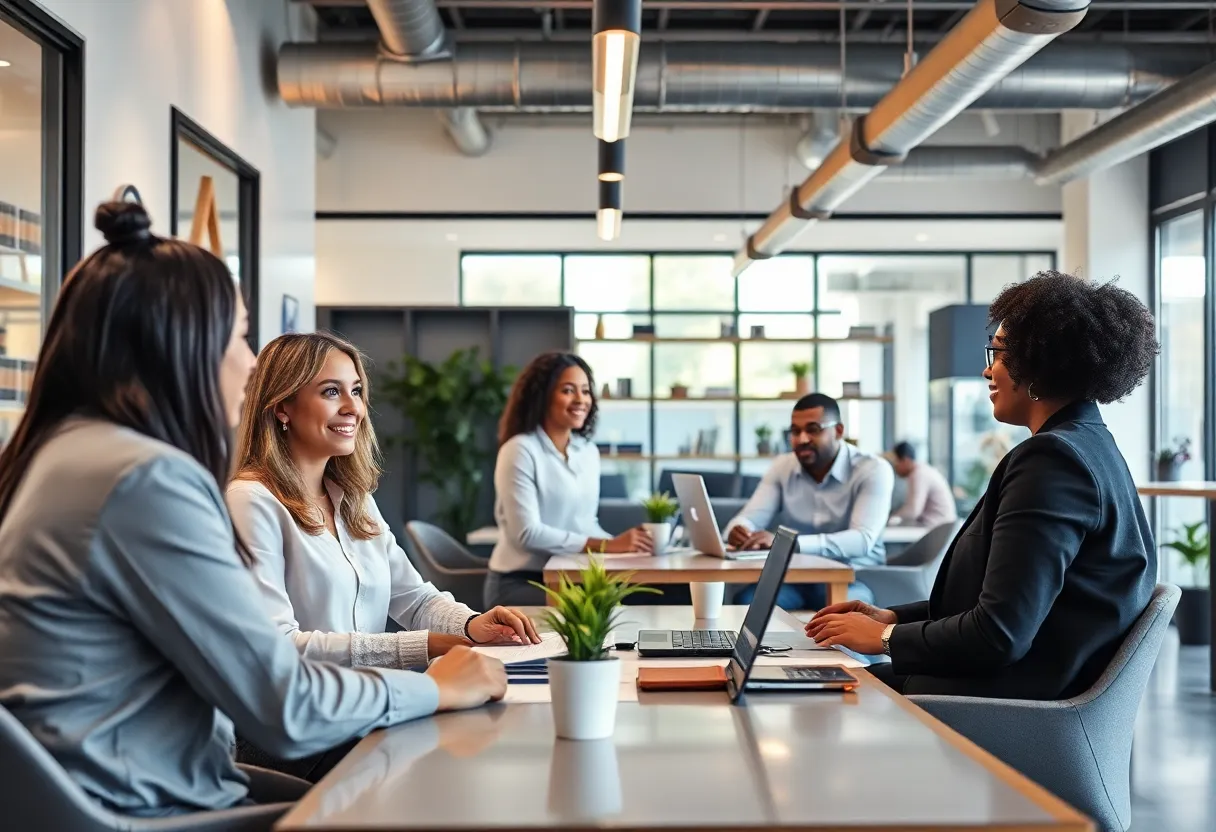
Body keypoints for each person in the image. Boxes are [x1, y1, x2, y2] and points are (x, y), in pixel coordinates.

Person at [0, 202, 507, 818]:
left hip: (127, 785)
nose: (248, 364)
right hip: (146, 804)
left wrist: (452, 642)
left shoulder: (67, 454)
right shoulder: (146, 479)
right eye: (238, 336)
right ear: (178, 342)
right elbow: (284, 703)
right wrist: (432, 686)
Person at [806, 271, 1159, 700]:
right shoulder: (1092, 445)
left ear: (1037, 362)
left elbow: (999, 635)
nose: (987, 369)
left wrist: (884, 639)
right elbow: (1012, 603)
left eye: (998, 352)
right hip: (1019, 687)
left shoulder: (1053, 461)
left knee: (822, 694)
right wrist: (891, 619)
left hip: (1005, 705)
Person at [228, 332, 540, 779]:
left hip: (363, 711)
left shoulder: (353, 498)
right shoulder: (251, 501)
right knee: (453, 765)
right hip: (297, 735)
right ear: (282, 407)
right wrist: (424, 646)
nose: (353, 408)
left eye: (356, 391)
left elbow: (414, 599)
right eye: (331, 391)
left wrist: (472, 625)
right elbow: (279, 648)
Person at [485, 352, 652, 608]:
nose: (581, 400)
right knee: (609, 611)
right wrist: (608, 545)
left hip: (573, 577)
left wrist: (630, 547)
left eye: (585, 391)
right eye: (568, 390)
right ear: (542, 396)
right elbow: (527, 533)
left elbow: (585, 524)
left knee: (659, 594)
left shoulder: (587, 452)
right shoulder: (520, 450)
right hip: (522, 582)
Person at [724, 393, 894, 611]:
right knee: (748, 605)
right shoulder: (782, 466)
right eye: (795, 431)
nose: (802, 439)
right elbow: (750, 516)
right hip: (795, 578)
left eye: (813, 430)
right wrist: (740, 530)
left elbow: (862, 539)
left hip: (852, 577)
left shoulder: (873, 469)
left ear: (838, 431)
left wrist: (791, 543)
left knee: (847, 615)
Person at [888, 441, 957, 528]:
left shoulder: (918, 474)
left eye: (896, 462)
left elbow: (913, 511)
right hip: (941, 525)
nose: (895, 467)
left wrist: (890, 518)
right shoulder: (923, 470)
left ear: (906, 460)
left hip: (938, 527)